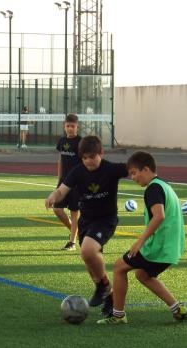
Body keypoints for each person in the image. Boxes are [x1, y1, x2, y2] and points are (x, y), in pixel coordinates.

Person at [97, 151, 187, 324]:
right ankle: (177, 308)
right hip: (171, 246)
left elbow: (159, 216)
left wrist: (139, 242)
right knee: (143, 275)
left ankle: (118, 315)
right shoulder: (164, 185)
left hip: (158, 246)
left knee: (119, 267)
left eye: (134, 173)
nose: (132, 177)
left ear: (146, 169)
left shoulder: (153, 189)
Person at [45, 135, 128, 316]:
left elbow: (135, 169)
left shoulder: (111, 169)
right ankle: (110, 298)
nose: (89, 161)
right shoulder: (78, 171)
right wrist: (53, 196)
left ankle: (104, 285)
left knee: (87, 251)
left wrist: (153, 179)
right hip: (86, 222)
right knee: (91, 264)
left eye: (92, 157)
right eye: (85, 158)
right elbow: (61, 191)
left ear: (101, 153)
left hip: (105, 219)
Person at [53, 113, 82, 251]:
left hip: (76, 183)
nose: (70, 128)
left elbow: (85, 163)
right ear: (64, 127)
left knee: (74, 212)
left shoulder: (81, 143)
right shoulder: (62, 141)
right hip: (63, 182)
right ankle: (74, 231)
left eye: (73, 126)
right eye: (68, 126)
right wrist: (59, 179)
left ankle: (72, 243)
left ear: (77, 127)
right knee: (57, 209)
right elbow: (60, 160)